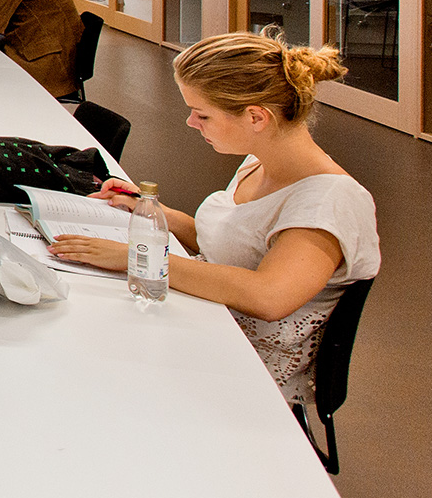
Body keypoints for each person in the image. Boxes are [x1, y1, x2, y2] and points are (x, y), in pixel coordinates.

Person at [50, 33, 379, 409]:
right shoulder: (258, 161)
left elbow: (268, 296)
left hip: (238, 376)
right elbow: (234, 246)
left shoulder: (330, 202)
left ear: (257, 116)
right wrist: (154, 212)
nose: (191, 122)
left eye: (202, 114)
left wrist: (137, 257)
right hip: (205, 329)